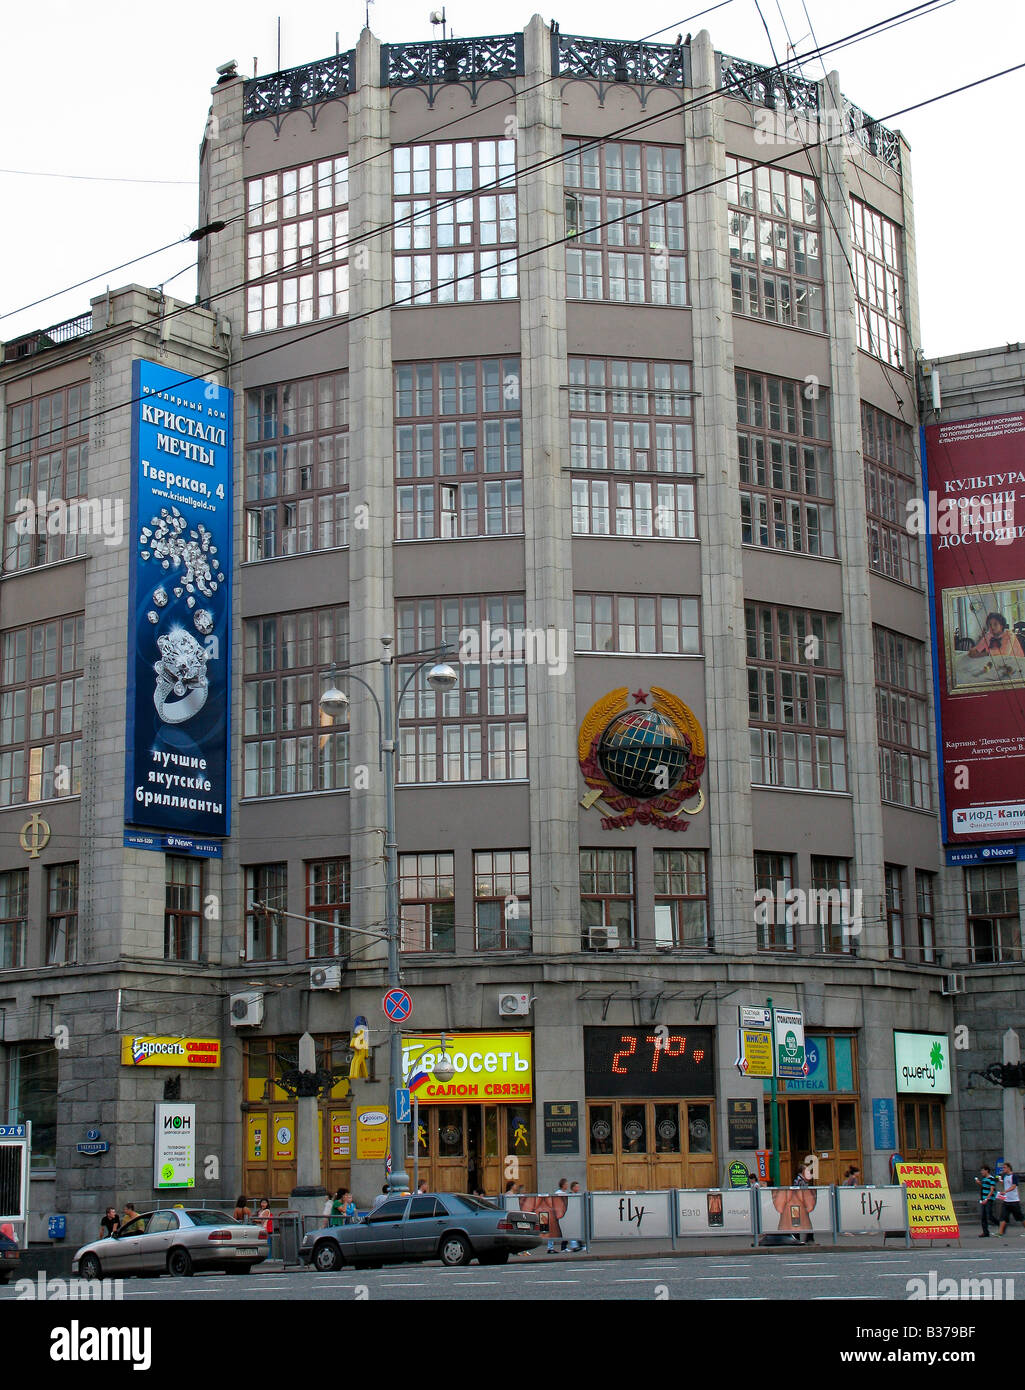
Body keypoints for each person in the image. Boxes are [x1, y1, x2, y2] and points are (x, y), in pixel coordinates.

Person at [997, 1161, 1025, 1235]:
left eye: (1005, 1167)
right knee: (1003, 1216)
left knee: (1020, 1217)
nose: (1003, 1169)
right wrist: (1001, 1182)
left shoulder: (1014, 1176)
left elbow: (1014, 1186)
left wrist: (1005, 1191)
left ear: (1009, 1168)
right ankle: (1000, 1233)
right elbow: (1006, 1185)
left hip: (1014, 1201)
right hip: (1006, 1200)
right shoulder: (1005, 1177)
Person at [975, 1164, 996, 1237]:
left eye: (982, 1170)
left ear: (987, 1170)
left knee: (989, 1215)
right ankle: (985, 1232)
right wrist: (979, 1183)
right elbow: (983, 1187)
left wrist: (987, 1198)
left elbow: (992, 1190)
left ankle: (999, 1224)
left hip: (989, 1199)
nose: (981, 1172)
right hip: (983, 1199)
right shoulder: (984, 1179)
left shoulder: (991, 1179)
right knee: (983, 1216)